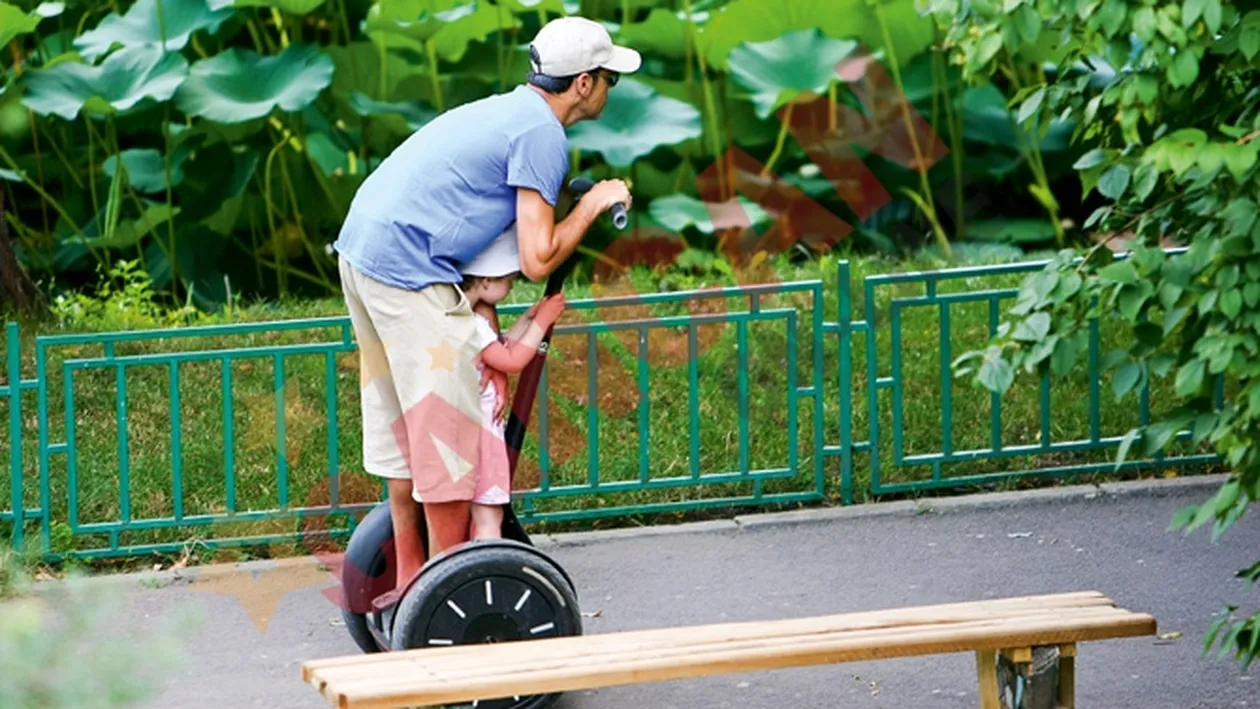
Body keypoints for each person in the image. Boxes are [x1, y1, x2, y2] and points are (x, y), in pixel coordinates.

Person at [333, 16, 640, 591]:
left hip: (362, 252)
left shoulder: (507, 110)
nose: (608, 89)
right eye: (608, 79)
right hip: (408, 269)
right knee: (446, 437)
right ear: (582, 84)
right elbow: (537, 258)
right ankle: (444, 590)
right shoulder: (543, 134)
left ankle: (409, 581)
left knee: (406, 431)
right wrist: (593, 203)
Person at [442, 224, 567, 540]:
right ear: (485, 280)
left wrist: (528, 320)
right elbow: (511, 361)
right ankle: (488, 563)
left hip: (461, 430)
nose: (511, 286)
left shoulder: (461, 319)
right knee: (489, 514)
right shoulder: (473, 324)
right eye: (508, 280)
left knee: (471, 513)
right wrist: (542, 322)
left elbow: (498, 347)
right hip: (481, 434)